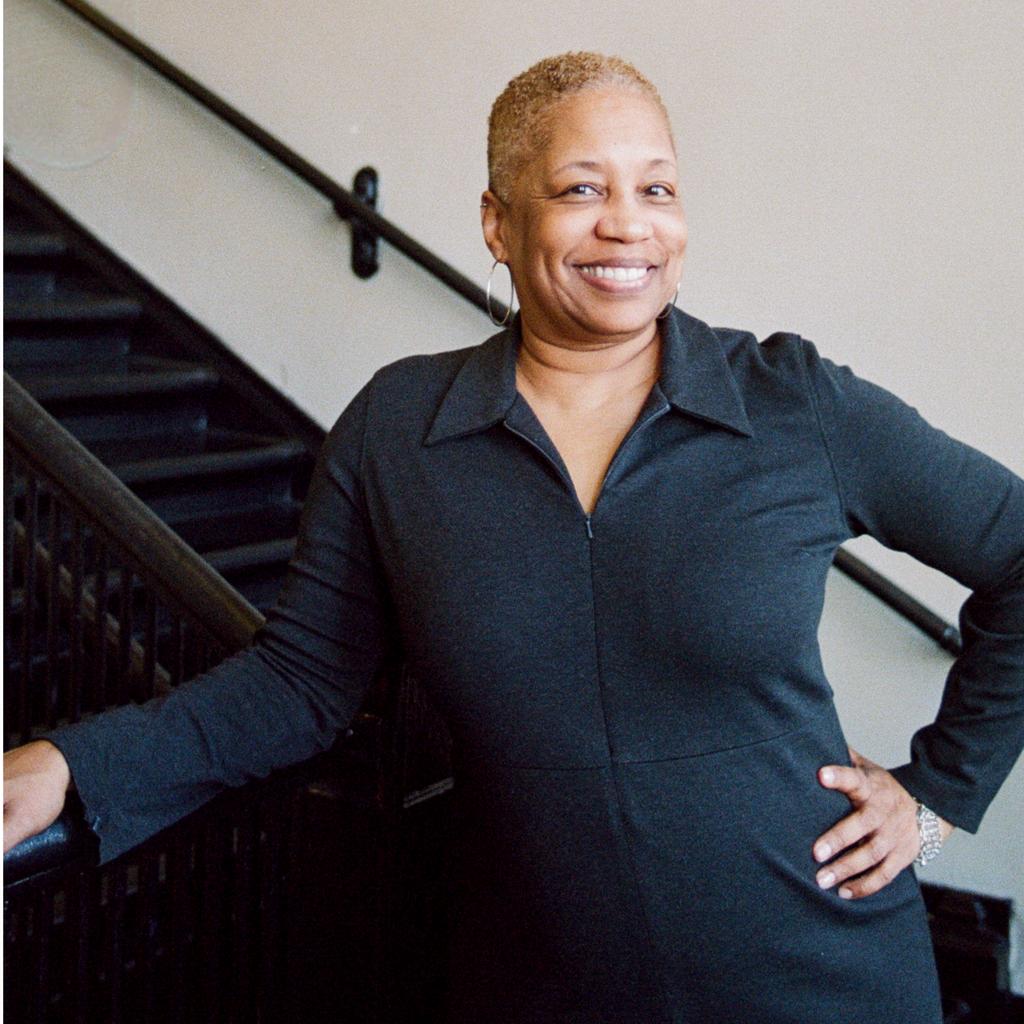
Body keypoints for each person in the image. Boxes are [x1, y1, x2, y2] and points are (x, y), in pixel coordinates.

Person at [4, 51, 1023, 1024]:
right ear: (497, 221)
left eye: (657, 189)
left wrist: (937, 799)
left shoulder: (792, 403)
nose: (627, 223)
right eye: (582, 188)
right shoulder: (399, 430)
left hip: (825, 978)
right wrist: (74, 764)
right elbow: (299, 684)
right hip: (540, 990)